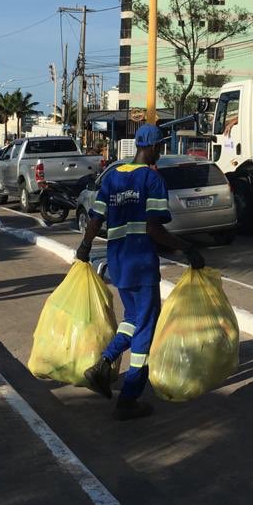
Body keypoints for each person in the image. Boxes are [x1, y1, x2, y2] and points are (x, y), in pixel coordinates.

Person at [76, 123, 205, 421]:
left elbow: (95, 220)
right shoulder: (152, 179)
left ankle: (103, 363)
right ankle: (129, 398)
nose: (161, 150)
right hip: (142, 262)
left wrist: (84, 247)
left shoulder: (112, 178)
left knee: (132, 319)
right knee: (146, 326)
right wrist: (186, 248)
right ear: (155, 147)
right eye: (161, 146)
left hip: (118, 260)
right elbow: (153, 228)